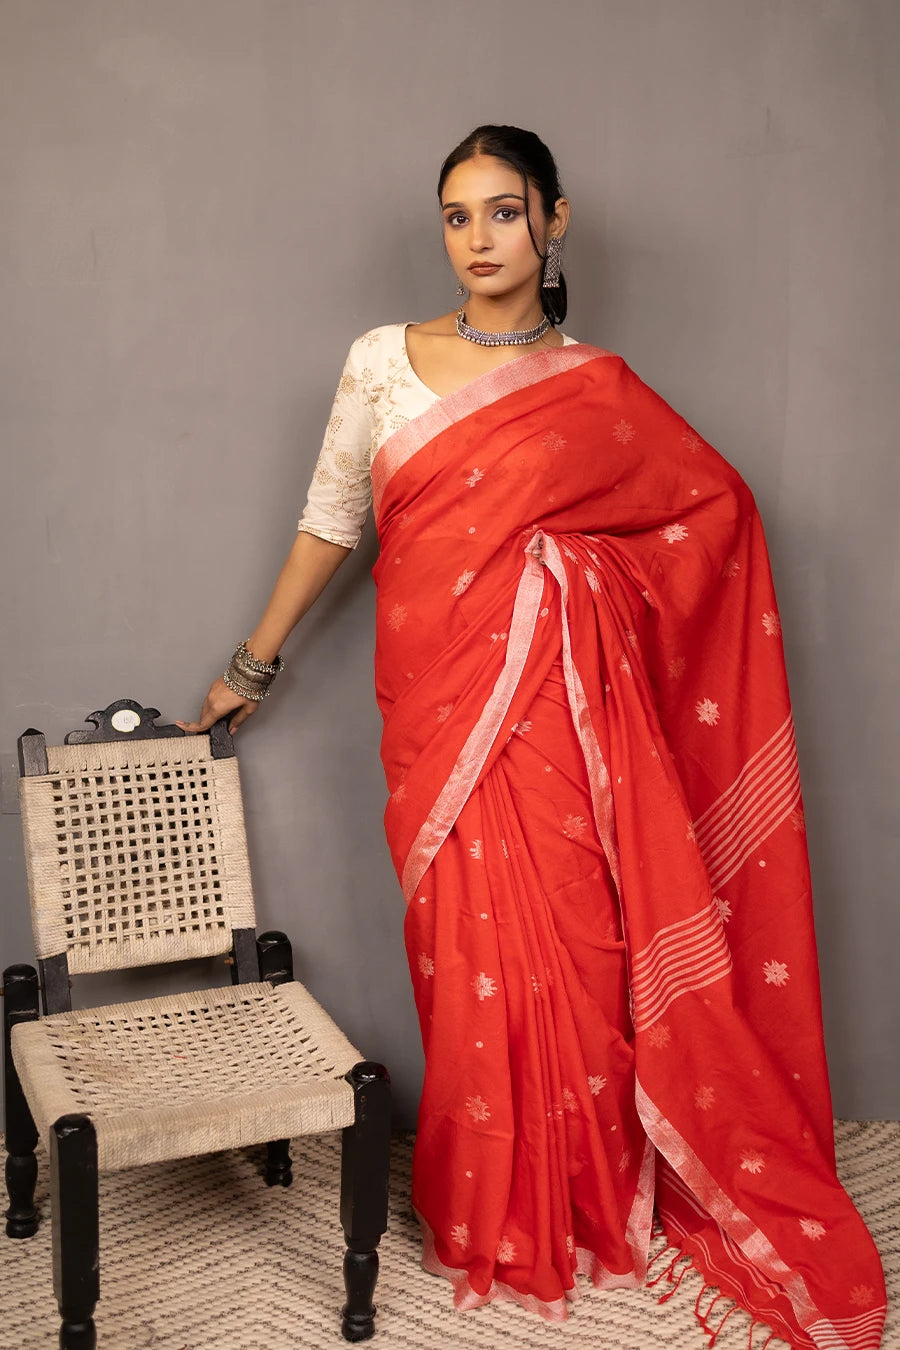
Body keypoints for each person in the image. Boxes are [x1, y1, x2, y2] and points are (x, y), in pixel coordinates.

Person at [180, 126, 885, 1347]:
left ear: (555, 221)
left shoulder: (596, 388)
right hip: (434, 699)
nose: (478, 239)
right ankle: (488, 1211)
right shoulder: (381, 360)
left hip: (555, 706)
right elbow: (332, 520)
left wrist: (571, 578)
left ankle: (587, 1196)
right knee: (465, 947)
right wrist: (255, 660)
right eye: (457, 216)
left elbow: (716, 511)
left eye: (503, 212)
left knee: (578, 941)